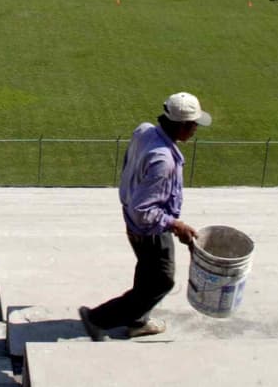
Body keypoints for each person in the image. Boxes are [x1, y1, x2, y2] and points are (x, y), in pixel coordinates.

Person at [79, 92, 212, 342]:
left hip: (131, 219)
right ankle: (97, 319)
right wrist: (175, 224)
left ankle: (138, 320)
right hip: (148, 231)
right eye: (193, 124)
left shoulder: (144, 130)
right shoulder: (163, 162)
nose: (195, 129)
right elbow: (144, 211)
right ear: (181, 125)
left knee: (148, 274)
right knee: (162, 281)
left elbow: (129, 164)